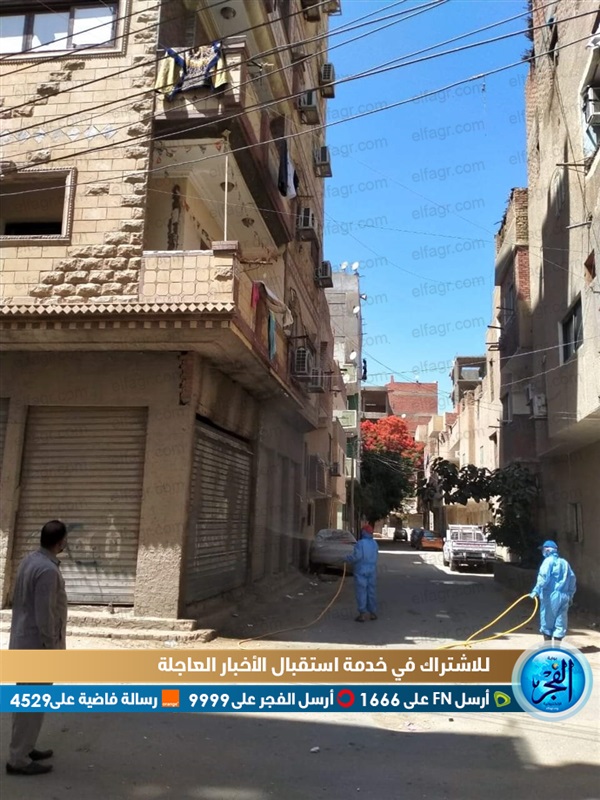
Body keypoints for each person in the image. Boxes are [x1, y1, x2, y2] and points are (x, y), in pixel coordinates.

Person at [6, 520, 68, 777]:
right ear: (60, 542)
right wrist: (52, 648)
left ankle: (25, 748)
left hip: (24, 641)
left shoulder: (30, 560)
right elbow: (45, 616)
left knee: (27, 704)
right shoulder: (48, 571)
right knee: (31, 705)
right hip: (37, 647)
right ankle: (18, 760)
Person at [529, 540, 576, 645]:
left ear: (547, 550)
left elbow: (544, 578)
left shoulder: (548, 561)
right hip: (564, 596)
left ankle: (548, 648)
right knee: (560, 622)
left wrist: (536, 590)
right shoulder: (565, 563)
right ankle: (557, 648)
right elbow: (572, 579)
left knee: (547, 622)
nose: (542, 552)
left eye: (543, 549)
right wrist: (570, 595)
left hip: (551, 596)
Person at [345, 524, 379, 622]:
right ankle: (373, 613)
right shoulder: (374, 544)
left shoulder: (360, 544)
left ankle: (362, 614)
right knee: (371, 591)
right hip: (371, 570)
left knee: (361, 592)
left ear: (363, 532)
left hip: (361, 570)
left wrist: (347, 559)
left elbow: (357, 557)